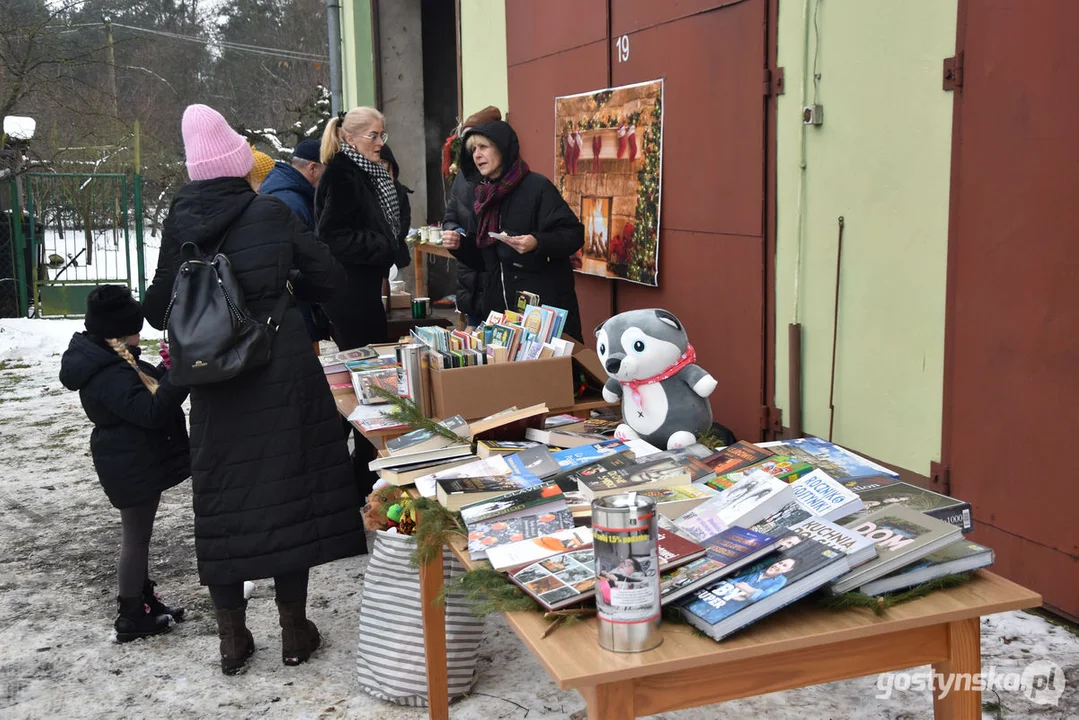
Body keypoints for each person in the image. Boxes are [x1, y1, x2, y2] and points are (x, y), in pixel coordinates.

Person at [142, 104, 364, 675]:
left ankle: (232, 639)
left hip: (213, 383)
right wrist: (281, 288)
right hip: (280, 371)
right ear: (240, 163)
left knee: (224, 505)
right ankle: (294, 631)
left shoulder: (178, 225)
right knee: (291, 493)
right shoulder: (269, 214)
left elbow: (154, 308)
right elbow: (329, 278)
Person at [59, 285, 190, 643]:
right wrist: (181, 375)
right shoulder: (109, 371)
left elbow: (147, 392)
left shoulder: (115, 356)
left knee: (139, 538)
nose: (141, 332)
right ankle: (131, 614)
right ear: (119, 329)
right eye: (135, 326)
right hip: (128, 463)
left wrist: (167, 370)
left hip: (133, 458)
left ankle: (143, 601)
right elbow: (151, 411)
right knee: (135, 539)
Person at [442, 120, 585, 341]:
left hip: (543, 309)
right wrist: (460, 245)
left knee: (550, 374)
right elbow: (482, 260)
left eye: (483, 147)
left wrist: (537, 242)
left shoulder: (537, 187)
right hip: (503, 316)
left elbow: (574, 234)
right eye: (473, 150)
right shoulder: (483, 195)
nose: (477, 155)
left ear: (503, 148)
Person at [314, 106, 400, 350]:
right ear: (349, 139)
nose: (380, 143)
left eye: (382, 135)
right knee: (367, 363)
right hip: (349, 291)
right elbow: (331, 236)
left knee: (371, 359)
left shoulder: (365, 172)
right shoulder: (343, 175)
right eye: (372, 136)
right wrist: (382, 245)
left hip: (362, 287)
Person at [260, 139, 332, 347]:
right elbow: (295, 260)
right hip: (293, 306)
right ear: (312, 168)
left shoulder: (287, 190)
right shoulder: (290, 200)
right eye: (327, 172)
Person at [442, 106, 502, 327]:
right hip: (469, 281)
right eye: (471, 146)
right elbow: (450, 214)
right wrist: (455, 233)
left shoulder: (507, 181)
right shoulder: (463, 177)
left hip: (498, 285)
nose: (475, 153)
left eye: (481, 145)